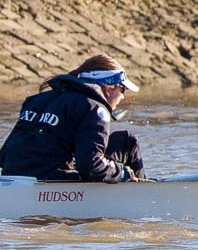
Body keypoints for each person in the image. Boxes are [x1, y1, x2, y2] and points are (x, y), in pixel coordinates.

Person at [0, 55, 145, 181]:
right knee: (128, 145)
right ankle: (141, 195)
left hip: (13, 178)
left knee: (126, 141)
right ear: (109, 88)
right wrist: (123, 173)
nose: (122, 96)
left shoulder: (36, 100)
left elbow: (4, 156)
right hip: (52, 184)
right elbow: (91, 166)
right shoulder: (95, 108)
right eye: (123, 89)